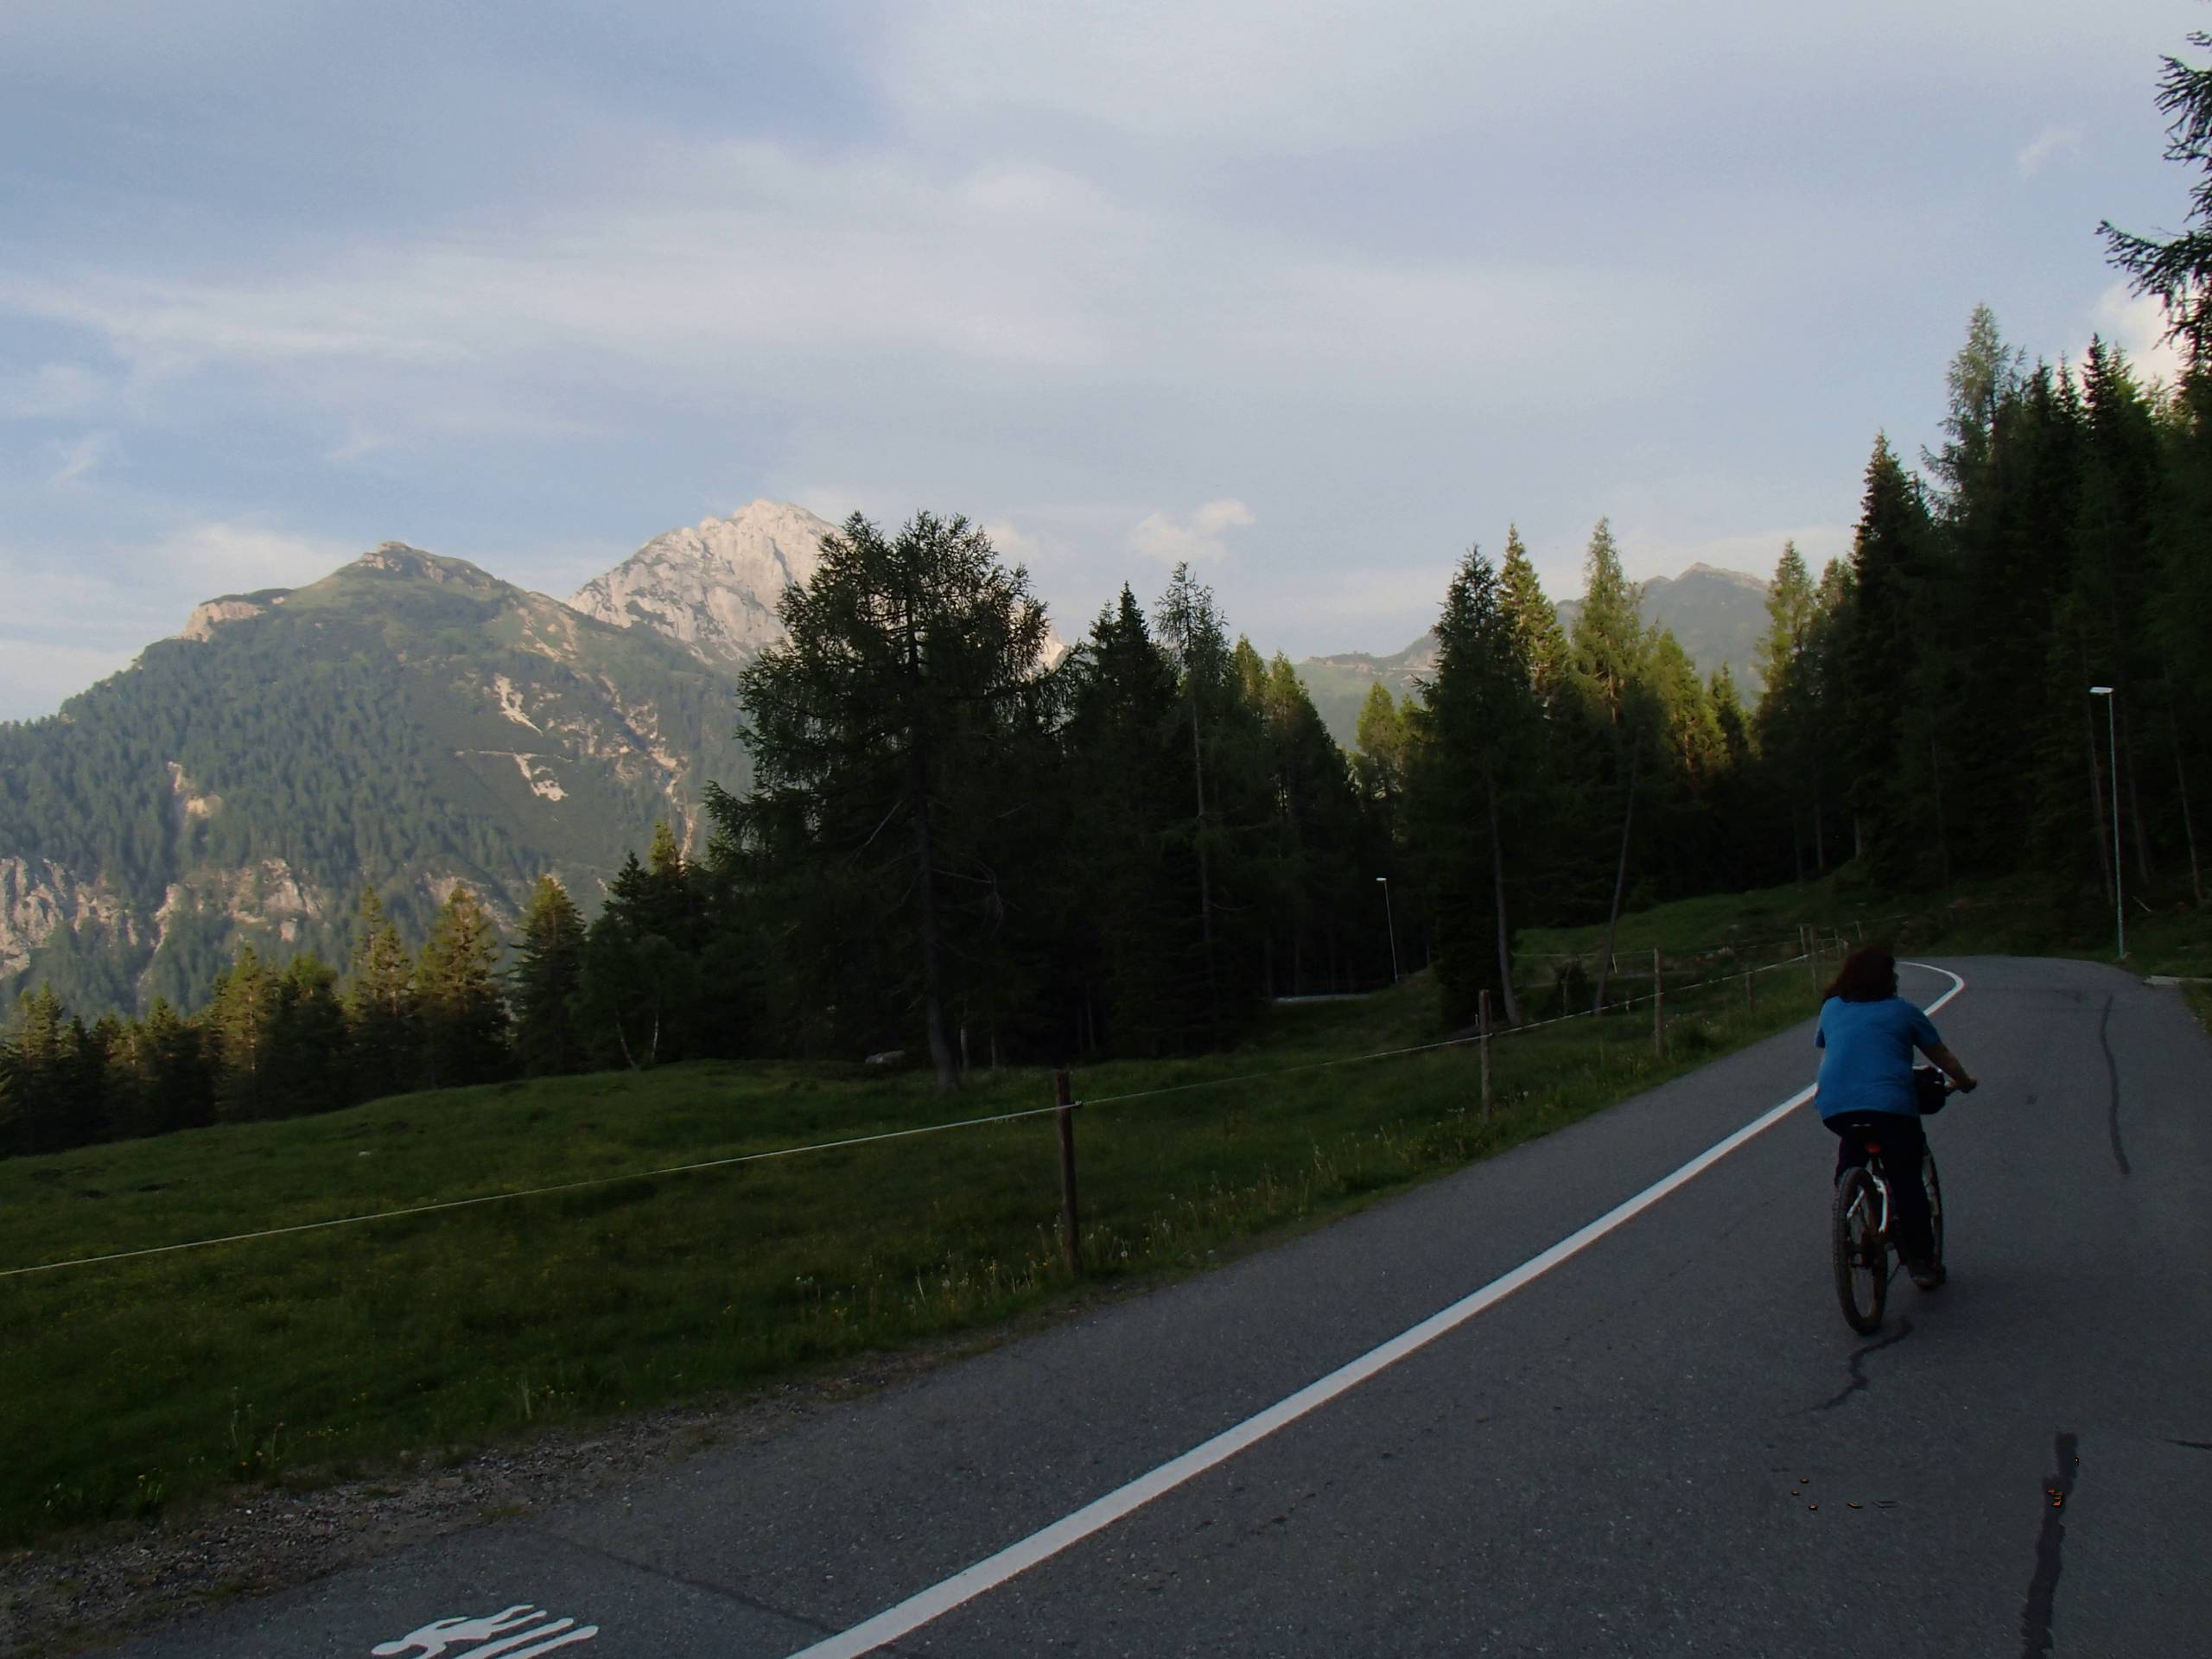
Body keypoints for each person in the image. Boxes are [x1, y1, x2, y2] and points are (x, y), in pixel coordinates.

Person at [1815, 945, 1976, 1289]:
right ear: (1888, 979)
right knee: (1907, 1179)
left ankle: (1851, 1198)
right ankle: (1921, 1261)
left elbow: (1833, 1049)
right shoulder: (1902, 1012)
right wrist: (1963, 1081)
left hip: (1835, 1107)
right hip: (1891, 1109)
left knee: (1852, 1148)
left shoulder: (1832, 1008)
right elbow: (1941, 1055)